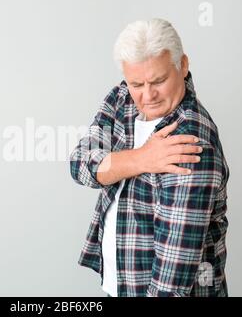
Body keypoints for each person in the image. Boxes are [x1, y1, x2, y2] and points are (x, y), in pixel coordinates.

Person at [69, 18, 229, 297]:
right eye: (137, 83)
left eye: (159, 80)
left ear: (183, 65)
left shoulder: (190, 142)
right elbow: (80, 163)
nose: (147, 95)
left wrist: (120, 162)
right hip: (123, 285)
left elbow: (172, 279)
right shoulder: (122, 98)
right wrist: (142, 159)